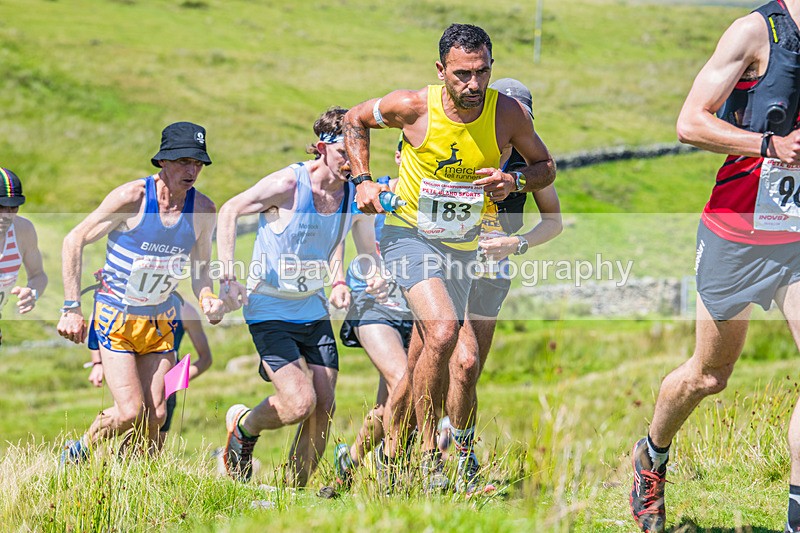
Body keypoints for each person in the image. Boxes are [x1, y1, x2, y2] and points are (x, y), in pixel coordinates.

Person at [343, 23, 556, 491]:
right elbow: (353, 119)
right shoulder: (411, 107)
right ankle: (428, 457)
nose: (474, 85)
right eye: (462, 74)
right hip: (409, 236)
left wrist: (515, 183)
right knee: (442, 333)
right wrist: (362, 181)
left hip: (462, 249)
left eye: (482, 72)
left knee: (430, 353)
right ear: (441, 71)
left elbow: (546, 168)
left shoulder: (509, 114)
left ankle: (389, 456)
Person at [630, 2, 800, 531]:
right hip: (738, 233)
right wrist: (770, 145)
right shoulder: (756, 32)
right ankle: (652, 457)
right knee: (708, 376)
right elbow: (689, 123)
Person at [217, 107, 386, 487]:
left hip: (312, 308)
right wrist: (227, 274)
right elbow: (230, 210)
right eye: (344, 152)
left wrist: (371, 276)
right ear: (322, 148)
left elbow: (367, 254)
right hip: (269, 307)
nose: (352, 161)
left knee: (324, 406)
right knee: (299, 403)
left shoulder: (354, 195)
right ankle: (244, 427)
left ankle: (293, 492)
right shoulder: (290, 184)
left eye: (359, 151)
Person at [58, 121, 224, 463]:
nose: (191, 170)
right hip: (116, 315)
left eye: (198, 163)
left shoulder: (203, 210)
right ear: (163, 162)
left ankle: (129, 480)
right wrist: (71, 306)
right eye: (182, 161)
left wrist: (208, 298)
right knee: (131, 411)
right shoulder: (133, 197)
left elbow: (201, 271)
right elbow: (73, 239)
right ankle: (78, 452)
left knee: (157, 415)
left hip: (159, 319)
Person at [333, 143, 414, 488]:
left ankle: (348, 461)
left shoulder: (434, 202)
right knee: (405, 380)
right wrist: (342, 278)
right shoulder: (373, 192)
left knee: (389, 405)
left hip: (414, 313)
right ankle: (392, 468)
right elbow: (338, 234)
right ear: (400, 157)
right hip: (373, 302)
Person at [85, 294, 213, 450]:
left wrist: (174, 380)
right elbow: (99, 316)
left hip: (164, 380)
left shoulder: (186, 311)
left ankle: (128, 471)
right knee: (130, 416)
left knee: (152, 446)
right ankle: (81, 450)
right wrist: (97, 362)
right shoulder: (130, 299)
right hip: (130, 374)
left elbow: (205, 358)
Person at [0, 168, 48, 344]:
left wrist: (32, 293)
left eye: (13, 207)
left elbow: (38, 275)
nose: (7, 215)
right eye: (0, 207)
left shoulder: (23, 230)